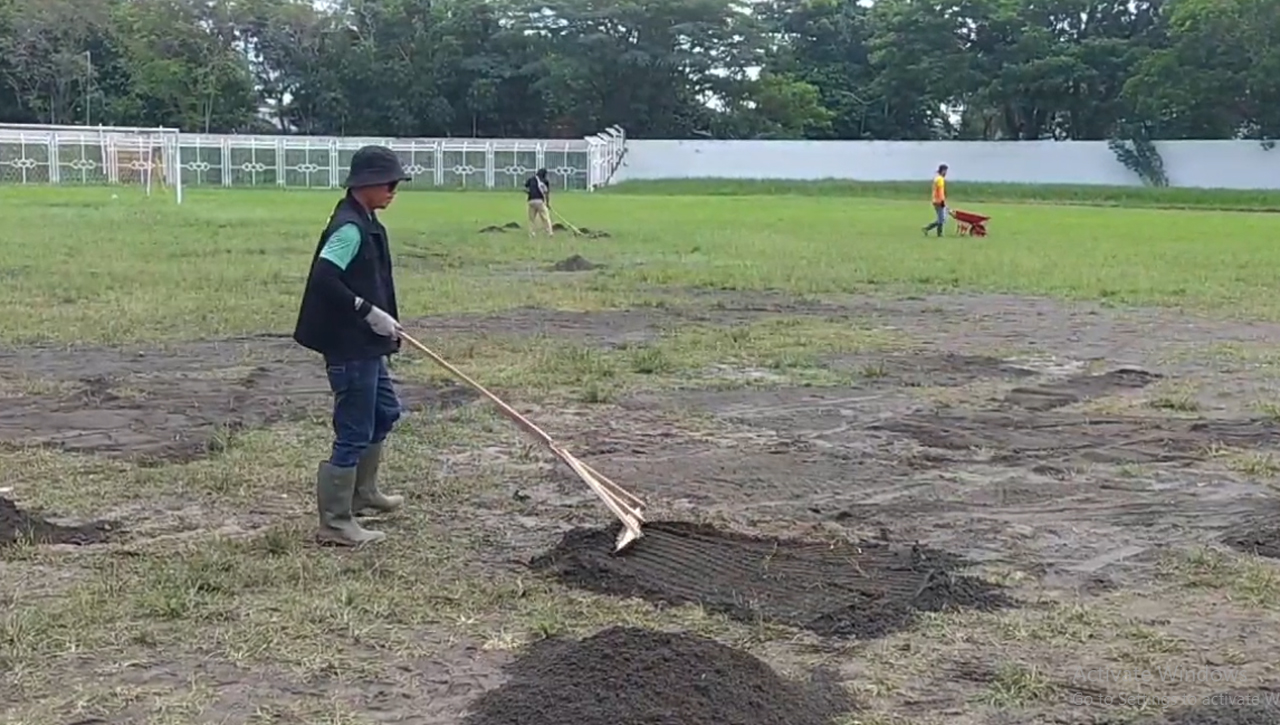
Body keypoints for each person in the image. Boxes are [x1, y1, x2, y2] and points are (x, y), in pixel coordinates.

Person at [292, 145, 411, 547]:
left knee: (385, 411)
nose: (395, 190)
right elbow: (324, 278)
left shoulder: (368, 221)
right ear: (366, 184)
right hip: (348, 345)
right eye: (389, 183)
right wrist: (366, 312)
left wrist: (386, 321)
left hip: (368, 343)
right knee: (354, 429)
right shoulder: (348, 227)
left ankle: (364, 492)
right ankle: (336, 521)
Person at [525, 168, 553, 237]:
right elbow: (546, 193)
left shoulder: (531, 179)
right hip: (540, 201)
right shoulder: (545, 181)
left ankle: (531, 233)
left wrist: (529, 192)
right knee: (545, 217)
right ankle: (549, 232)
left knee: (531, 219)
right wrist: (547, 203)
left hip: (531, 201)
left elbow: (526, 187)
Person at [922, 163, 948, 237]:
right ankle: (930, 229)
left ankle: (932, 230)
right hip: (939, 201)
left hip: (935, 200)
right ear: (942, 171)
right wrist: (942, 201)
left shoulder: (937, 178)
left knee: (942, 218)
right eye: (945, 171)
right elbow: (940, 191)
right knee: (942, 219)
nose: (946, 173)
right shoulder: (940, 179)